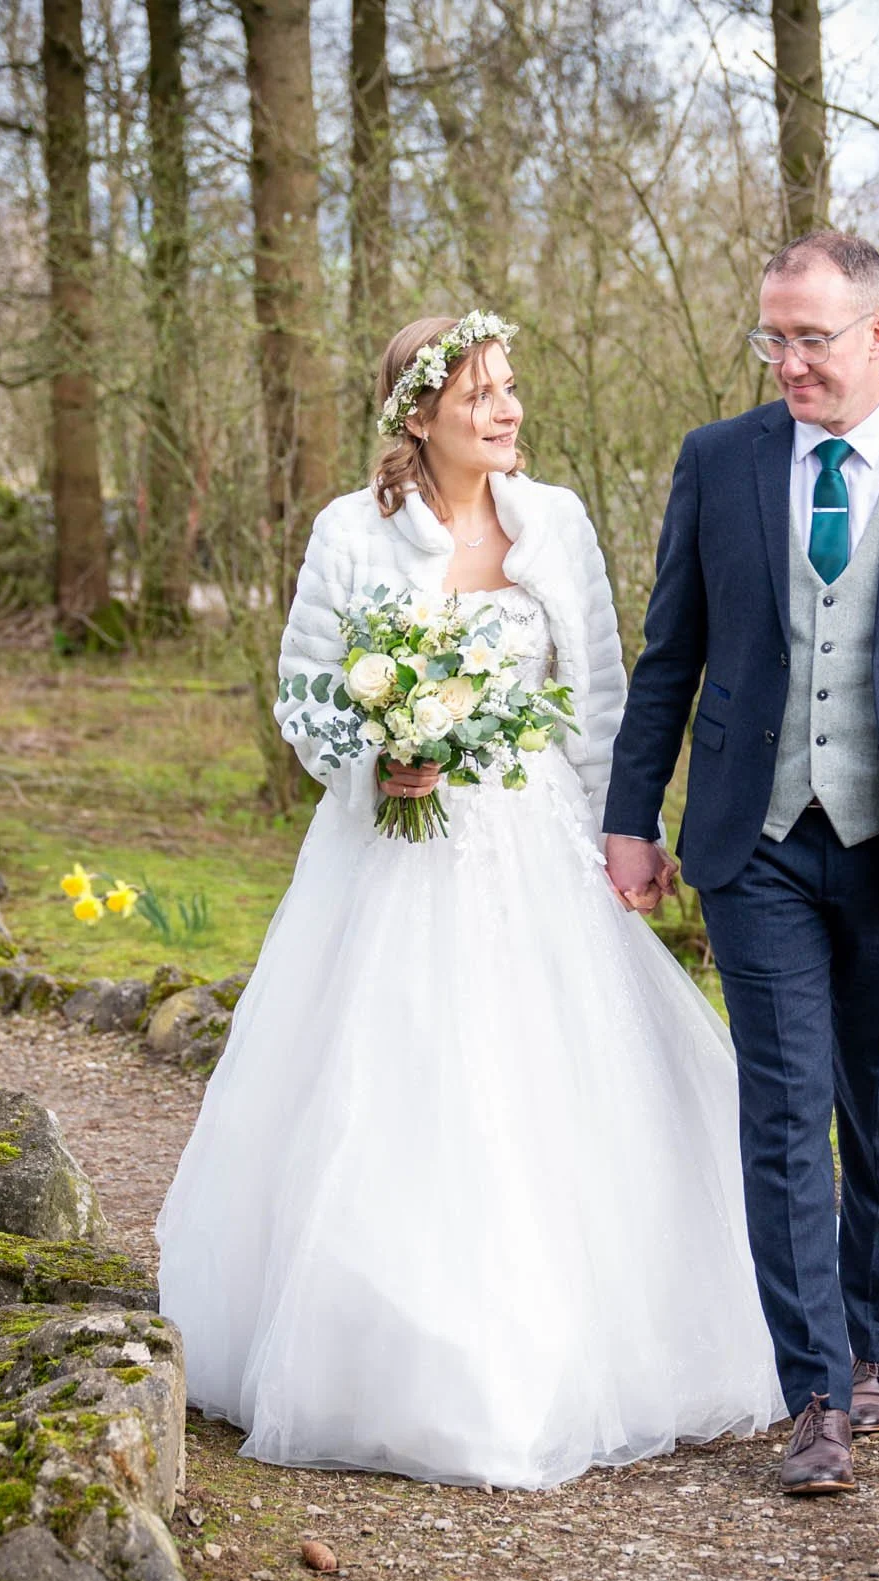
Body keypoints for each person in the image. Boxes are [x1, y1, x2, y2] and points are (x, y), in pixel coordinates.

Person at [154, 314, 784, 1490]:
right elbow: (305, 697)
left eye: (511, 390)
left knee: (552, 1079)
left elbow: (599, 692)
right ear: (419, 414)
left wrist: (622, 835)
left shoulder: (559, 522)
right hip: (389, 851)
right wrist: (375, 756)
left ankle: (577, 1345)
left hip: (532, 843)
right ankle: (389, 1357)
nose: (508, 411)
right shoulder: (353, 531)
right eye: (482, 394)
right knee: (389, 1076)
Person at [603, 230, 879, 1495]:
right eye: (771, 337)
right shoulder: (717, 461)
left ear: (877, 334)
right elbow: (667, 653)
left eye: (811, 338)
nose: (787, 362)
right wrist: (634, 813)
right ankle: (816, 1392)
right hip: (756, 836)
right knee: (782, 1109)